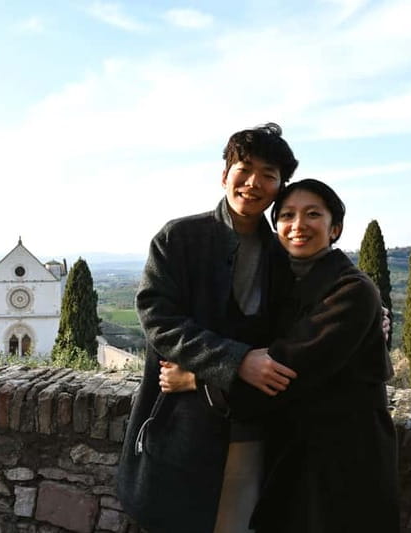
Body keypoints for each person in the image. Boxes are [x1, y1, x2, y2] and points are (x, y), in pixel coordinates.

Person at [162, 179, 399, 532]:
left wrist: (197, 379)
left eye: (312, 214)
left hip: (344, 458)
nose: (298, 224)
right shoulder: (285, 283)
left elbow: (285, 368)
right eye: (287, 215)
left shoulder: (352, 290)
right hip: (294, 453)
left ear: (334, 228)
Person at [116, 123, 300, 533]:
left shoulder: (282, 254)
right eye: (245, 169)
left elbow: (297, 333)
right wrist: (235, 362)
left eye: (269, 175)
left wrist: (375, 312)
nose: (254, 183)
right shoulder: (180, 238)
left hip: (253, 430)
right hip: (181, 429)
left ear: (279, 187)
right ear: (224, 174)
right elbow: (157, 317)